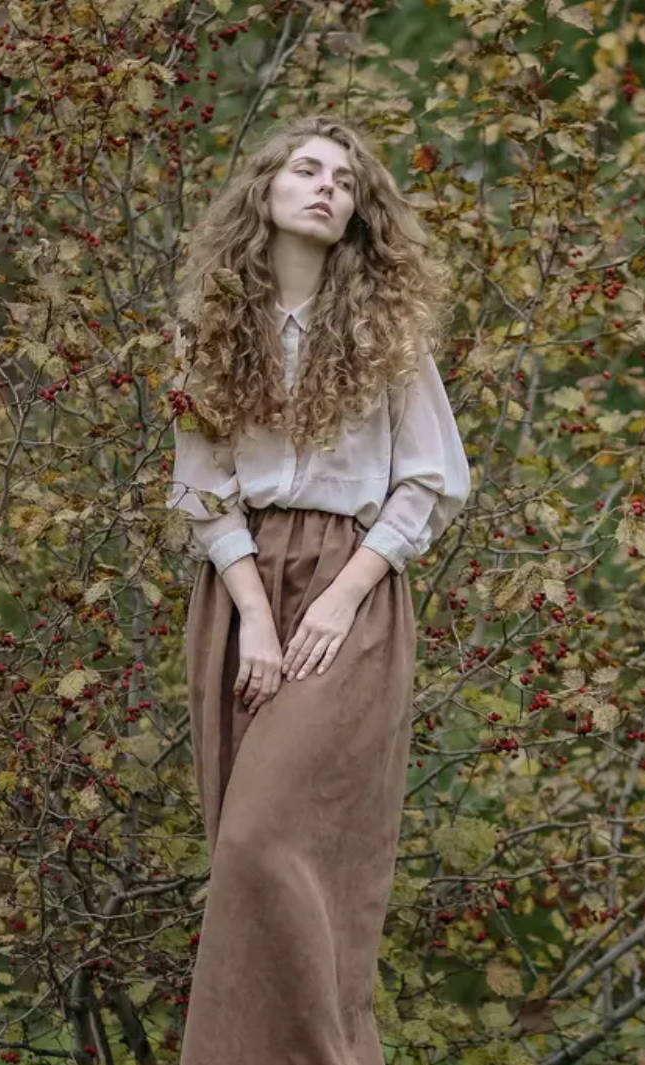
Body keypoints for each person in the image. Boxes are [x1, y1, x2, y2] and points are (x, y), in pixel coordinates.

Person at [165, 115, 471, 1064]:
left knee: (275, 839)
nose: (326, 186)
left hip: (354, 586)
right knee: (243, 854)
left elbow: (431, 478)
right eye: (306, 169)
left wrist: (340, 597)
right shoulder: (208, 331)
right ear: (264, 189)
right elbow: (199, 485)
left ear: (358, 214)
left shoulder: (388, 334)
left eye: (344, 180)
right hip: (242, 585)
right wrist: (256, 611)